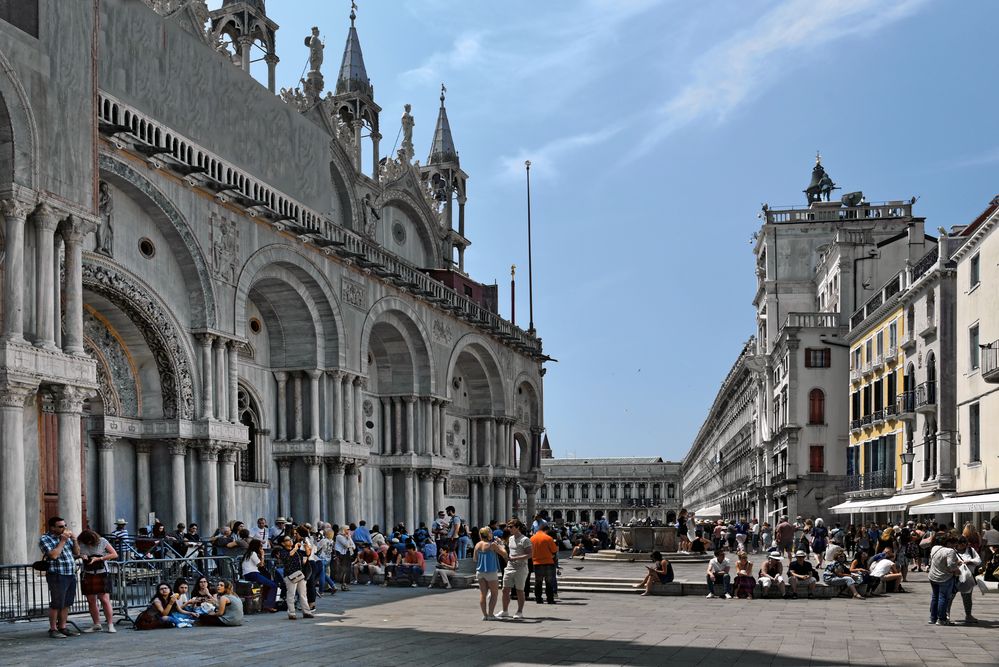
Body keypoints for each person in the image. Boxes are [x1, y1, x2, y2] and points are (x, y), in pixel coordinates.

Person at [39, 516, 80, 639]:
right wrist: (62, 541)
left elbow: (77, 552)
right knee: (56, 603)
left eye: (65, 525)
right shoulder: (45, 539)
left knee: (67, 603)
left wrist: (75, 540)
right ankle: (53, 629)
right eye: (61, 526)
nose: (64, 528)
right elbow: (53, 555)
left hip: (70, 573)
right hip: (57, 574)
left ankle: (63, 627)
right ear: (52, 528)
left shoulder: (67, 538)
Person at [77, 529, 118, 633]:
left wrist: (99, 559)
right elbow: (74, 554)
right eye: (87, 543)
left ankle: (110, 624)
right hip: (88, 572)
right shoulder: (80, 543)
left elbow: (114, 554)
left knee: (104, 599)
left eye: (91, 542)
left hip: (102, 572)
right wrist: (80, 555)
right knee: (91, 600)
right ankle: (96, 624)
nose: (89, 544)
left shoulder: (102, 541)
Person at [497, 518, 533, 620]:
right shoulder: (511, 538)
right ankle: (505, 610)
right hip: (509, 567)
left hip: (521, 568)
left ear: (518, 528)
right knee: (505, 589)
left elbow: (530, 554)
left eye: (511, 527)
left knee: (519, 590)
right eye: (508, 527)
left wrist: (516, 558)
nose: (509, 528)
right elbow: (508, 551)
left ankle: (519, 611)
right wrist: (500, 544)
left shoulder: (525, 539)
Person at [928, 533, 962, 625]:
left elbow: (939, 560)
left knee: (935, 597)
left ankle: (932, 618)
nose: (955, 546)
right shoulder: (950, 551)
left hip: (933, 576)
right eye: (954, 544)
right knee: (943, 597)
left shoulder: (935, 548)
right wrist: (957, 570)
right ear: (949, 543)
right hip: (944, 577)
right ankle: (941, 619)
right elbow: (951, 566)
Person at [277, 535, 313, 620]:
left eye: (290, 539)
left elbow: (306, 556)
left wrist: (307, 547)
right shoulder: (282, 551)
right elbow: (287, 557)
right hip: (290, 575)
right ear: (282, 543)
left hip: (300, 574)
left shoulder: (297, 551)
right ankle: (291, 613)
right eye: (287, 540)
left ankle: (306, 612)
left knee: (303, 594)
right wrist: (295, 548)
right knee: (291, 594)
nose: (290, 541)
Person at [474, 526, 506, 620]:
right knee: (494, 593)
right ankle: (491, 614)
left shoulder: (478, 544)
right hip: (491, 571)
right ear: (488, 534)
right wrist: (500, 545)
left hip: (480, 571)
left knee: (483, 594)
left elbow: (475, 559)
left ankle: (485, 615)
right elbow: (504, 553)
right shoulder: (492, 545)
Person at [241, 538, 278, 612]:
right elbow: (260, 565)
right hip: (253, 573)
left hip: (248, 574)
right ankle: (269, 605)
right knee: (273, 585)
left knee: (267, 585)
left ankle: (264, 604)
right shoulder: (252, 553)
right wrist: (262, 555)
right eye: (260, 546)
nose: (261, 548)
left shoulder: (248, 554)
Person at [531, 523, 559, 604]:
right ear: (546, 530)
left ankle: (538, 598)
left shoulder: (532, 538)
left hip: (536, 563)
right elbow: (554, 550)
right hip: (548, 562)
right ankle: (550, 599)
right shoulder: (548, 538)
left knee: (538, 582)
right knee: (549, 582)